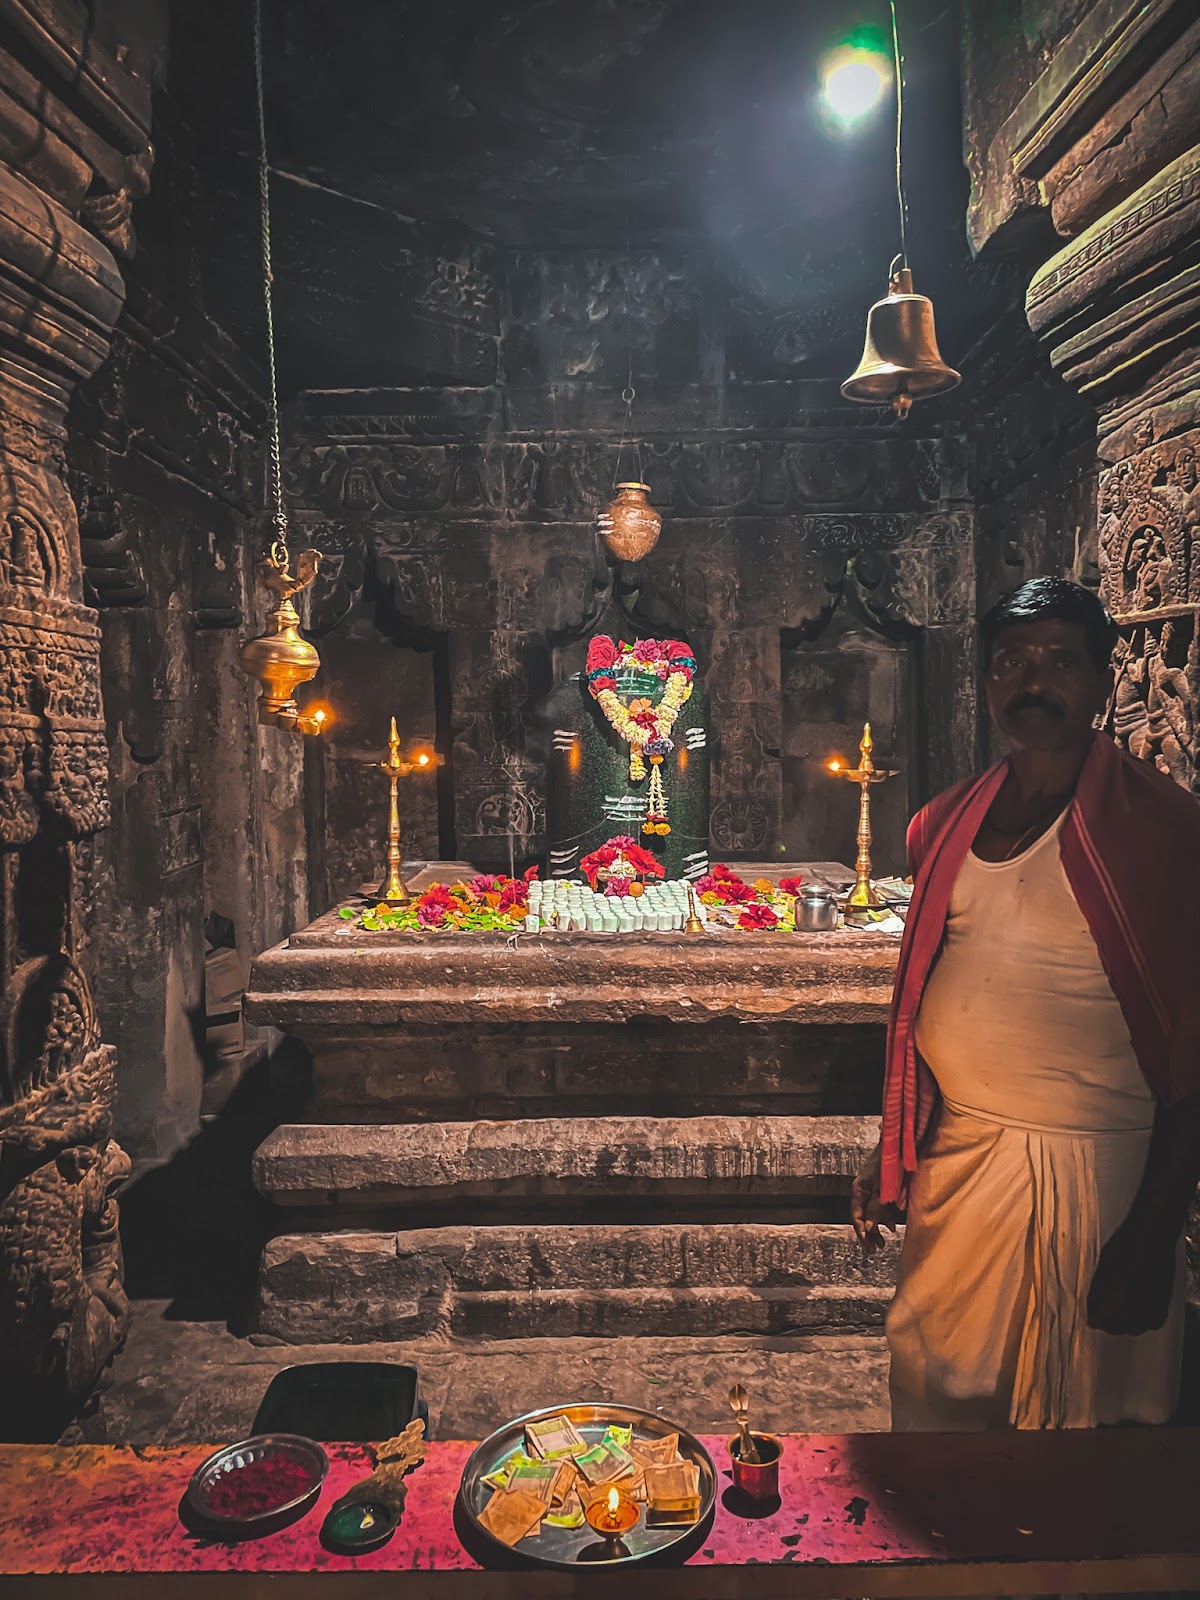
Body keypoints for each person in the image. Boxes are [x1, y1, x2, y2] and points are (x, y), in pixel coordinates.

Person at [851, 577, 1200, 1430]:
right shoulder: (943, 824)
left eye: (1060, 662)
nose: (1032, 682)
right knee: (940, 1391)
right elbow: (929, 995)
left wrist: (1155, 1232)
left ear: (1102, 681)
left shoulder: (1163, 833)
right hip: (965, 1163)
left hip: (1103, 1177)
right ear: (985, 679)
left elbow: (1193, 1044)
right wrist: (895, 1142)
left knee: (1093, 1427)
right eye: (1010, 662)